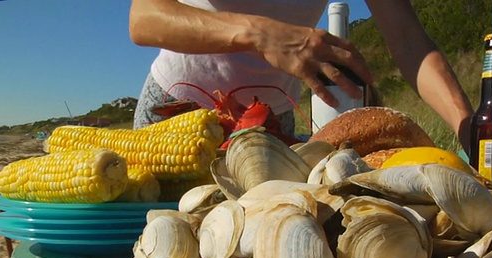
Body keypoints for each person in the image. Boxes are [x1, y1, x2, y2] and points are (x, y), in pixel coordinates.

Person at [129, 0, 474, 151]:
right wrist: (262, 34)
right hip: (176, 113)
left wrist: (470, 128)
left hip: (272, 123)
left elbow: (409, 42)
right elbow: (144, 17)